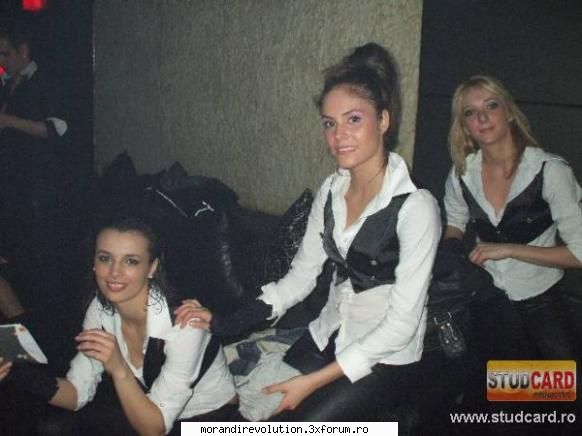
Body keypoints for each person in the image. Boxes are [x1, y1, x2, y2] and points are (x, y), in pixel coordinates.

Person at [176, 42, 442, 421]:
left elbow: (401, 326)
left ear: (383, 121)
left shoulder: (416, 207)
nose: (338, 135)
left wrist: (312, 382)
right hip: (327, 333)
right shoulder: (331, 191)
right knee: (234, 414)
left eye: (353, 119)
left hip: (384, 358)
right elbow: (298, 280)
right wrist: (223, 322)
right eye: (329, 123)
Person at [1, 215, 238, 435]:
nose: (114, 272)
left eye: (131, 261)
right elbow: (77, 393)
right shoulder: (100, 308)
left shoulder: (185, 324)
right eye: (105, 258)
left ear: (152, 267)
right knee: (51, 426)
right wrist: (14, 372)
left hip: (212, 422)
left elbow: (154, 429)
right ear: (94, 263)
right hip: (149, 408)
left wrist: (119, 368)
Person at [443, 75, 582, 360]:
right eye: (470, 112)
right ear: (465, 127)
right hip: (489, 302)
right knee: (502, 385)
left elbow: (579, 254)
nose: (482, 117)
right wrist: (453, 255)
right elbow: (454, 222)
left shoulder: (549, 171)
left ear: (509, 113)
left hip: (542, 303)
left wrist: (508, 250)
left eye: (491, 105)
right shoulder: (461, 173)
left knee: (557, 384)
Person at [0, 18, 71, 311]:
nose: (1, 60)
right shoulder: (8, 84)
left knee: (40, 256)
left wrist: (8, 121)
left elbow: (58, 129)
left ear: (24, 51)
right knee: (15, 254)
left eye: (5, 53)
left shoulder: (46, 80)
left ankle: (41, 318)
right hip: (13, 184)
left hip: (39, 185)